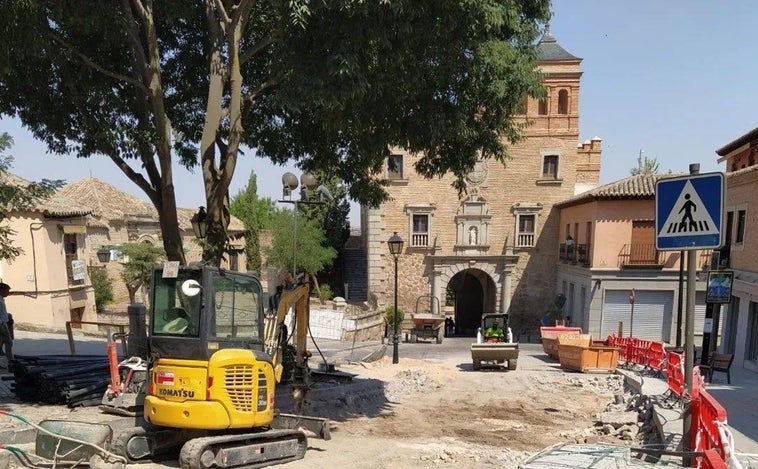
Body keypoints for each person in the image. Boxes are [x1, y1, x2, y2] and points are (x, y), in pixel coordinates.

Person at [0, 283, 13, 365]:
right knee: (8, 342)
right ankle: (10, 360)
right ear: (1, 290)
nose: (8, 293)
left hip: (4, 324)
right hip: (2, 325)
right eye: (7, 291)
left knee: (8, 342)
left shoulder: (1, 299)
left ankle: (9, 359)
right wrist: (2, 328)